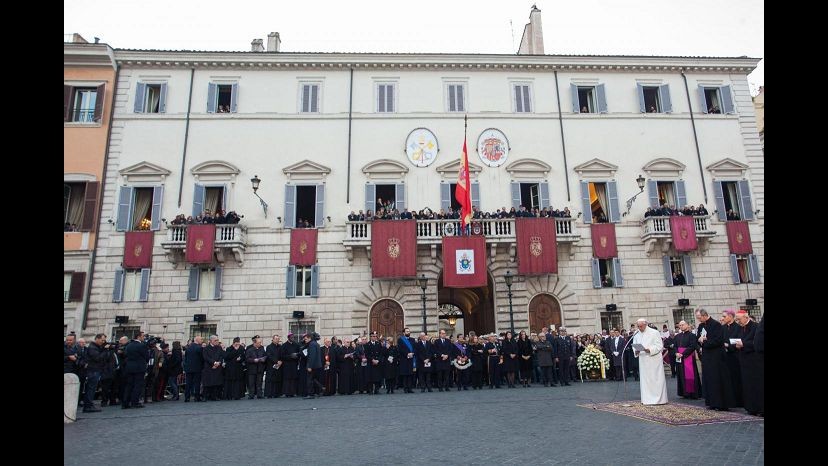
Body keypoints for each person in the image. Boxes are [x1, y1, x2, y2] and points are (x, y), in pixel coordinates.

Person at [695, 308, 735, 411]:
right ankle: (711, 402)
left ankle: (721, 403)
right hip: (707, 356)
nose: (699, 320)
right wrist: (700, 341)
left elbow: (718, 340)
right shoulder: (700, 326)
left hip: (717, 356)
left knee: (717, 379)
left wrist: (705, 342)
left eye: (699, 318)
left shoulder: (716, 325)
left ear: (704, 315)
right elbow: (698, 339)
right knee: (709, 379)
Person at [632, 319, 668, 405]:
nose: (639, 328)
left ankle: (659, 399)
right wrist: (636, 351)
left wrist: (649, 350)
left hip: (654, 359)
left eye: (641, 326)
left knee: (655, 379)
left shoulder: (654, 332)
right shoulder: (636, 333)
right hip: (643, 360)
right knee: (645, 380)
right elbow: (635, 344)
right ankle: (646, 399)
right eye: (638, 326)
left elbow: (659, 346)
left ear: (646, 324)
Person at [734, 311, 764, 416]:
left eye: (739, 319)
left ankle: (760, 409)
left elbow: (758, 342)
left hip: (755, 362)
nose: (738, 321)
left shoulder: (756, 327)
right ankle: (751, 408)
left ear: (746, 317)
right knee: (747, 386)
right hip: (744, 361)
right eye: (736, 319)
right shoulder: (740, 328)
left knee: (757, 386)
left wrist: (744, 344)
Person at [674, 321, 702, 399]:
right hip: (679, 358)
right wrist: (676, 353)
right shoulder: (677, 336)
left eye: (683, 325)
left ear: (687, 325)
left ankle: (692, 393)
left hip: (688, 357)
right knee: (681, 375)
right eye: (680, 325)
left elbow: (692, 346)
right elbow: (675, 346)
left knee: (690, 375)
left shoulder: (692, 335)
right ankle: (684, 392)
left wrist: (683, 354)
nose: (681, 326)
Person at [304, 333, 324, 399]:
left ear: (310, 338)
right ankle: (320, 388)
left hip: (313, 365)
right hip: (317, 365)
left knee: (309, 380)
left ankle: (311, 394)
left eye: (306, 339)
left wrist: (310, 366)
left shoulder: (312, 344)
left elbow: (312, 356)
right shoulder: (316, 344)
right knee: (314, 379)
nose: (305, 340)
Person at [183, 336, 204, 402]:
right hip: (197, 368)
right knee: (197, 383)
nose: (202, 340)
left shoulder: (188, 348)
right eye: (201, 339)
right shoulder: (199, 348)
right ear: (197, 340)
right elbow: (202, 358)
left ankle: (187, 397)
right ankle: (196, 397)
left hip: (188, 368)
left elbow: (185, 358)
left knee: (188, 383)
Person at [396, 328, 417, 393]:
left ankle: (410, 388)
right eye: (407, 331)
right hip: (404, 359)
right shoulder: (400, 340)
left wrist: (412, 353)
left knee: (410, 374)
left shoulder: (413, 340)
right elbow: (400, 349)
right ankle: (405, 388)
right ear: (404, 333)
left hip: (411, 359)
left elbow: (415, 348)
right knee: (405, 375)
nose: (408, 332)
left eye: (409, 331)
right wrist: (407, 354)